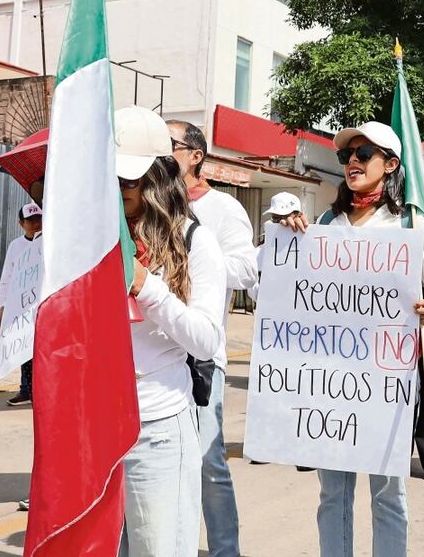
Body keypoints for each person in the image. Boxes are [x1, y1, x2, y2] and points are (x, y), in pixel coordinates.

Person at [278, 120, 424, 557]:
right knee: (332, 493)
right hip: (334, 384)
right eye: (345, 156)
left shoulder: (410, 222)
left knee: (387, 495)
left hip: (387, 385)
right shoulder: (324, 221)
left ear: (391, 164)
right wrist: (288, 235)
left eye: (363, 155)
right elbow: (292, 292)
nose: (352, 163)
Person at [118, 107, 226, 556]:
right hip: (94, 427)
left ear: (157, 178)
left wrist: (147, 287)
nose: (117, 190)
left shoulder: (195, 241)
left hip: (156, 428)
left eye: (127, 180)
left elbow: (206, 339)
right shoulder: (93, 238)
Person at [167, 118, 257, 556]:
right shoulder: (146, 205)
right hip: (152, 356)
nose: (160, 152)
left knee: (207, 462)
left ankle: (225, 550)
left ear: (196, 156)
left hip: (202, 356)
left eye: (169, 144)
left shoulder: (223, 209)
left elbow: (245, 269)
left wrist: (196, 249)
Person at [0, 203, 44, 407]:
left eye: (38, 219)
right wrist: (0, 304)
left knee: (41, 350)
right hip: (21, 306)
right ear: (21, 223)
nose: (35, 224)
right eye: (30, 220)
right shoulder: (16, 246)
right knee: (23, 348)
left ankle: (42, 389)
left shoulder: (49, 242)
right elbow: (7, 277)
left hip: (42, 305)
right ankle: (26, 390)